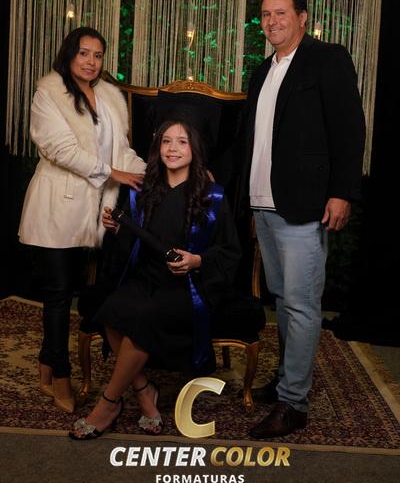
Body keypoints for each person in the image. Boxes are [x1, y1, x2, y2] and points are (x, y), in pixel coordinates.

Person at [239, 0, 366, 438]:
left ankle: (294, 403)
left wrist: (342, 192)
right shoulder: (261, 71)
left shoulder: (327, 59)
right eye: (265, 15)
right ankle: (286, 380)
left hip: (305, 205)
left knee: (301, 303)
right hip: (264, 204)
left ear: (302, 17)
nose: (271, 22)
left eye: (280, 13)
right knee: (282, 299)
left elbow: (350, 129)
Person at [69, 119, 241, 439]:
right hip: (147, 277)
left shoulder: (212, 196)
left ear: (194, 149)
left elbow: (230, 251)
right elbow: (133, 246)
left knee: (142, 320)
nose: (173, 149)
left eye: (182, 142)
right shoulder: (143, 191)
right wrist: (117, 228)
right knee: (110, 312)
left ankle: (108, 403)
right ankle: (144, 390)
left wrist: (196, 260)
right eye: (166, 141)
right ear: (157, 147)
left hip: (187, 286)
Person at [18, 27, 146, 413]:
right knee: (58, 296)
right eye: (84, 53)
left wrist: (154, 174)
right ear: (69, 54)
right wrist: (113, 173)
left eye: (98, 55)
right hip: (55, 208)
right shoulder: (49, 93)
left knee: (72, 292)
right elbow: (61, 150)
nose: (91, 62)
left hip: (93, 212)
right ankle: (60, 374)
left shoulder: (108, 96)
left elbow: (122, 151)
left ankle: (46, 365)